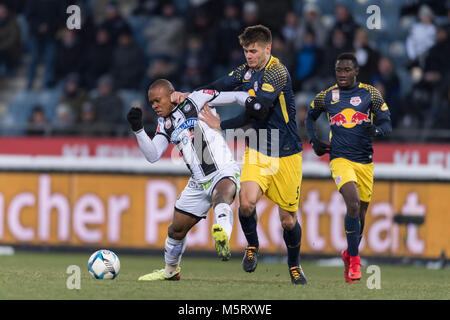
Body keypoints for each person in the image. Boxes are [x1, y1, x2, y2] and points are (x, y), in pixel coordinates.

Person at [172, 25, 307, 285]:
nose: (249, 55)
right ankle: (253, 245)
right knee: (245, 203)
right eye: (245, 51)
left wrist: (222, 126)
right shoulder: (246, 71)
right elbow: (218, 85)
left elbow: (258, 110)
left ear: (268, 49)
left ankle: (294, 264)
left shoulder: (277, 72)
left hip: (288, 153)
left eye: (253, 51)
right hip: (258, 149)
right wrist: (192, 95)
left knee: (288, 220)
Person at [127, 79, 262, 281]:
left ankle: (222, 234)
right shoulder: (165, 124)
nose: (154, 106)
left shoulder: (196, 99)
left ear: (171, 95)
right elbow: (153, 154)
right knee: (176, 230)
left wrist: (251, 101)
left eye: (157, 100)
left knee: (221, 196)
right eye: (151, 102)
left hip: (222, 169)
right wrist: (138, 130)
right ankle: (171, 271)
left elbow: (233, 96)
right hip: (198, 182)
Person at [305, 52, 392, 283]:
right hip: (340, 158)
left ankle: (348, 252)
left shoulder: (370, 93)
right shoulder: (328, 95)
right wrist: (313, 140)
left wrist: (378, 130)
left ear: (356, 72)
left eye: (346, 70)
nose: (341, 74)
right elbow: (309, 116)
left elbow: (386, 121)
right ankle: (355, 261)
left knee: (361, 215)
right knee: (352, 204)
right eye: (338, 70)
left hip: (365, 161)